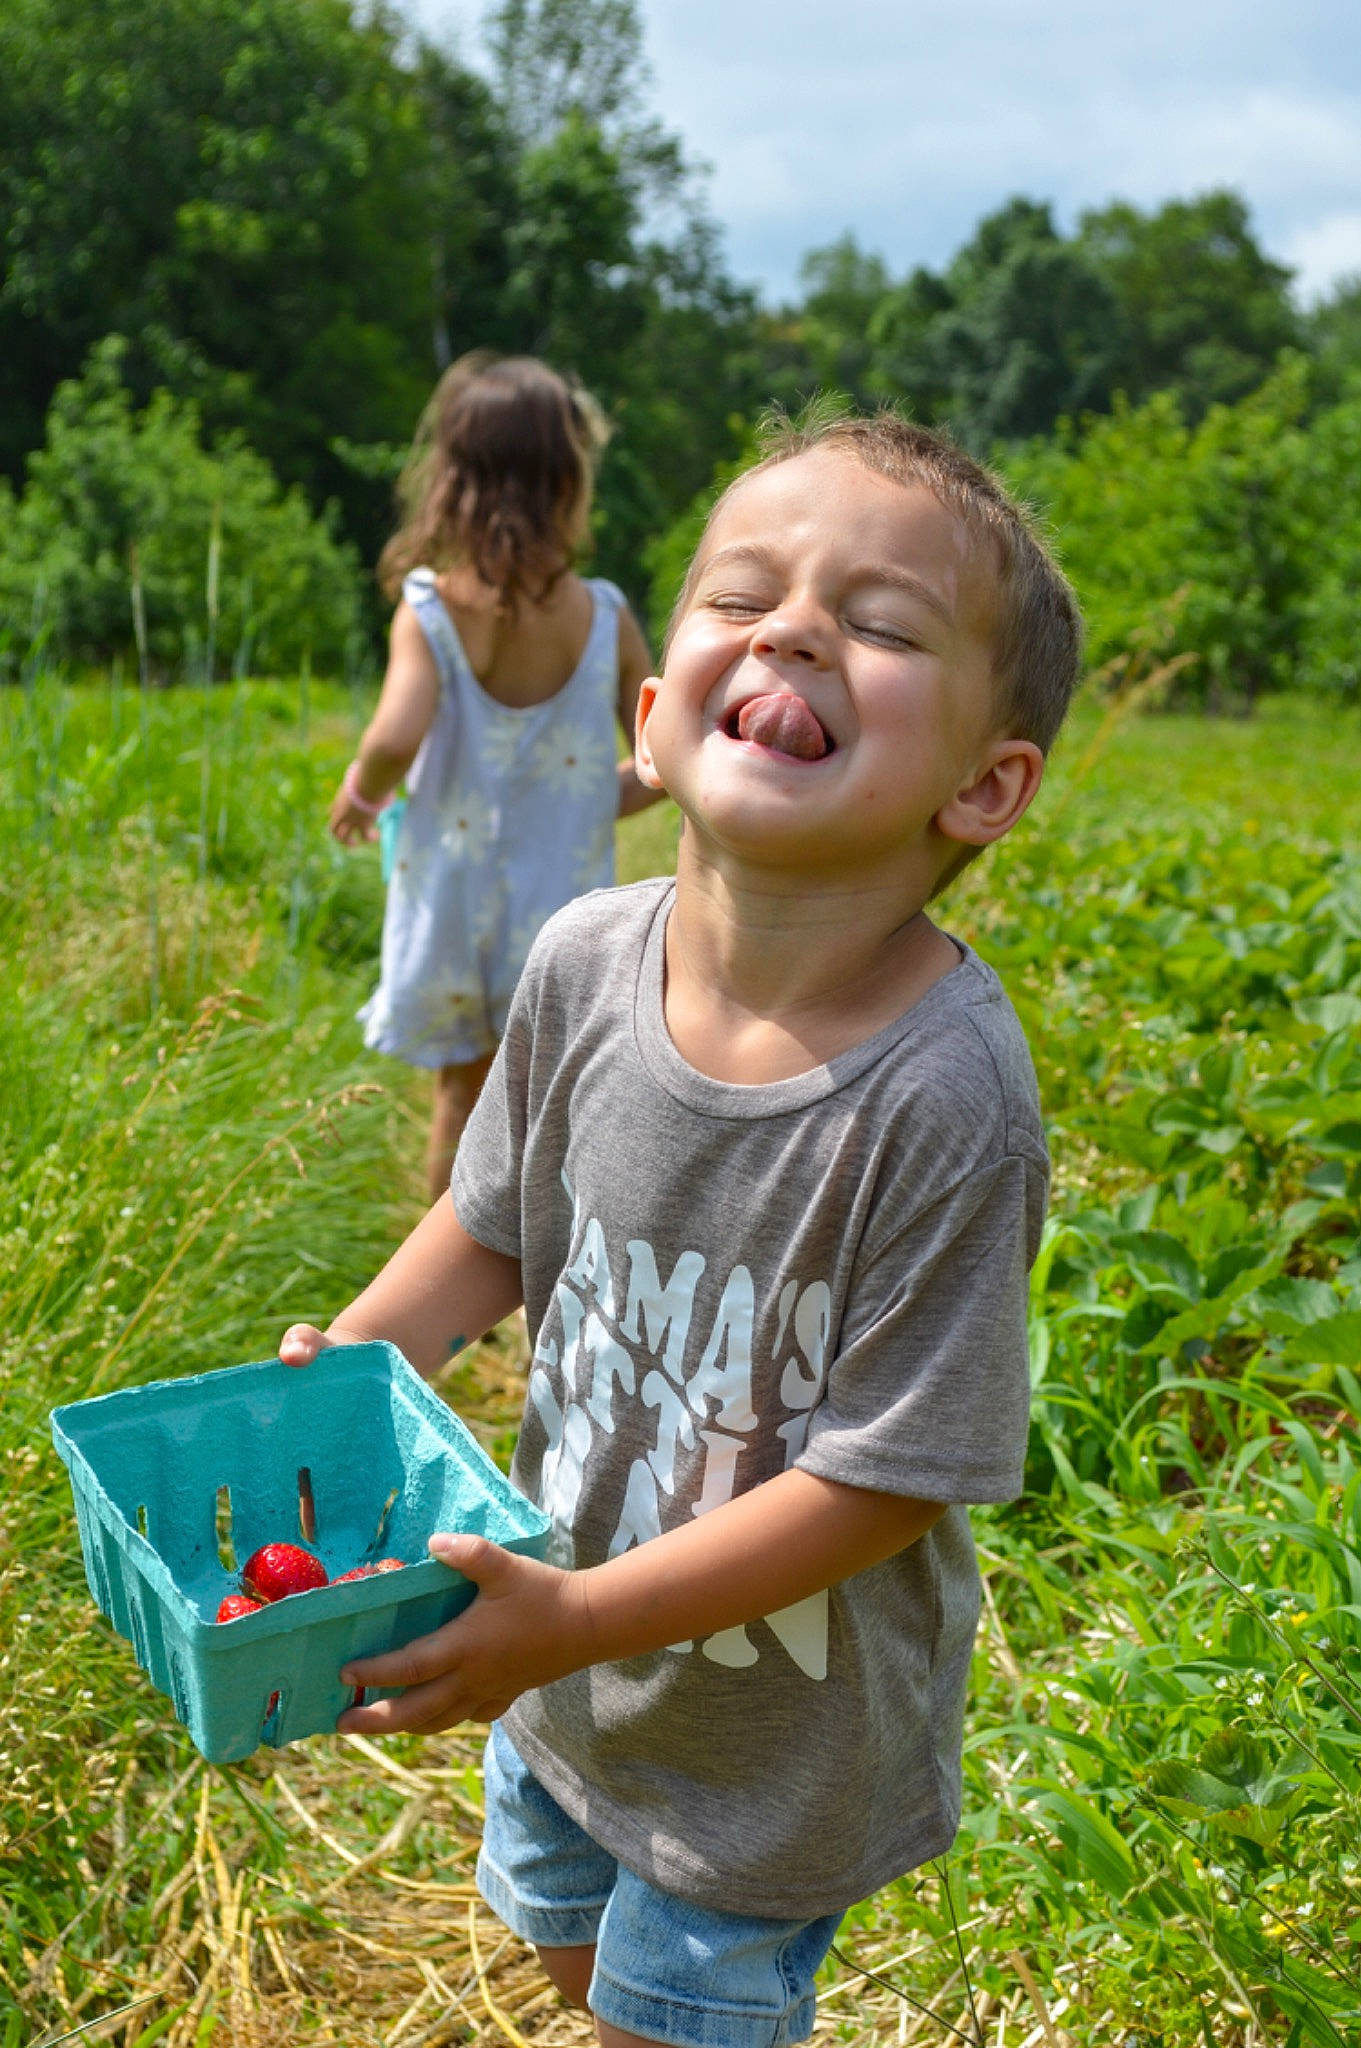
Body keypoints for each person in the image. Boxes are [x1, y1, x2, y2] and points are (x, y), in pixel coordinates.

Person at [282, 404, 1083, 2048]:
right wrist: (356, 1365)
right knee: (569, 1947)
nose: (796, 628)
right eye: (744, 595)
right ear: (653, 717)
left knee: (677, 2011)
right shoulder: (581, 961)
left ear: (990, 784)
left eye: (876, 623)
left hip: (767, 1758)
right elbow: (493, 1223)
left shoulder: (940, 1098)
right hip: (566, 1677)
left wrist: (570, 1614)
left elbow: (886, 1479)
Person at [329, 351, 660, 1199]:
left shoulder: (431, 611)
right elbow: (659, 757)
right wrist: (593, 804)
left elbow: (396, 732)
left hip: (453, 914)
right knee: (558, 1105)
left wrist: (364, 795)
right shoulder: (606, 618)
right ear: (565, 481)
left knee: (460, 1096)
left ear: (450, 480)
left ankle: (450, 1318)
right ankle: (552, 1286)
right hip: (566, 927)